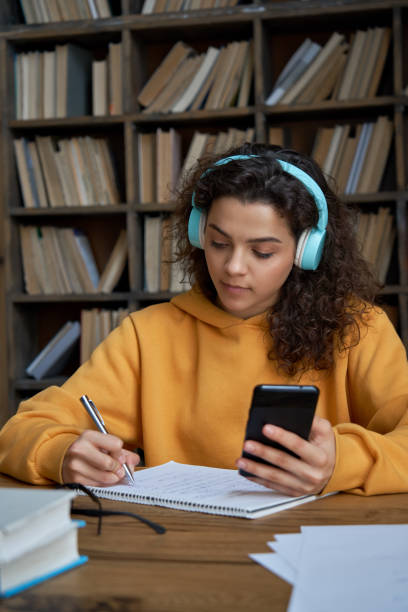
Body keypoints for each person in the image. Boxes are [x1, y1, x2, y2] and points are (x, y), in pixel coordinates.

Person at [0, 143, 407, 497]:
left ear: (307, 252)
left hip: (317, 546)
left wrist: (341, 462)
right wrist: (61, 454)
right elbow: (22, 430)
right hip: (183, 548)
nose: (233, 267)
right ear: (198, 235)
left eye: (262, 252)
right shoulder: (149, 335)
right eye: (218, 243)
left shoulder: (360, 329)